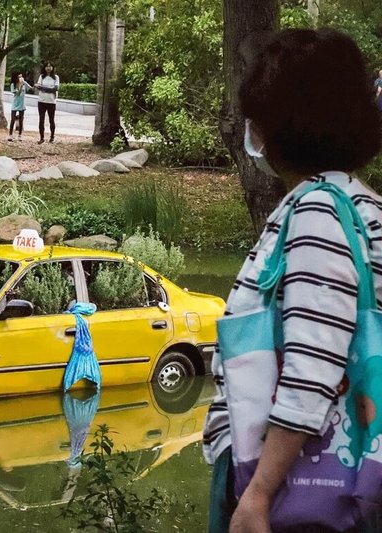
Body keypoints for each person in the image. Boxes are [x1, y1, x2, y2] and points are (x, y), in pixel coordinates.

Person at [203, 29, 381, 533]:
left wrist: (257, 495)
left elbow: (313, 360)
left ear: (273, 126)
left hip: (289, 484)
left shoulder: (318, 211)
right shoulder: (361, 206)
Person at [35, 61, 60, 144]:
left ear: (52, 68)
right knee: (41, 119)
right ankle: (41, 138)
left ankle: (52, 137)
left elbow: (55, 88)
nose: (48, 68)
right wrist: (48, 89)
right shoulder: (41, 76)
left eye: (50, 66)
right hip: (41, 101)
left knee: (51, 120)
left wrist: (44, 88)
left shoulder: (56, 77)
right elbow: (38, 86)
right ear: (44, 67)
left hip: (51, 101)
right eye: (47, 66)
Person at [8, 72, 31, 142]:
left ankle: (20, 135)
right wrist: (21, 86)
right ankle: (10, 135)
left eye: (21, 76)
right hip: (15, 104)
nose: (21, 78)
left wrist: (26, 84)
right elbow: (17, 93)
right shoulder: (13, 85)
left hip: (22, 104)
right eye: (19, 77)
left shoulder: (24, 84)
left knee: (21, 120)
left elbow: (31, 88)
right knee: (12, 120)